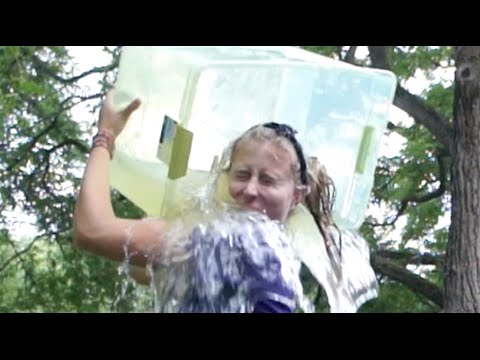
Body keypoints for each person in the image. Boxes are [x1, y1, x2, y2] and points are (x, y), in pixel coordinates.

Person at [73, 90, 342, 313]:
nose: (250, 189)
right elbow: (142, 272)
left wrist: (105, 136)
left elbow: (91, 230)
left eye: (268, 180)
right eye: (242, 175)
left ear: (297, 195)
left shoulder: (224, 243)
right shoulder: (280, 252)